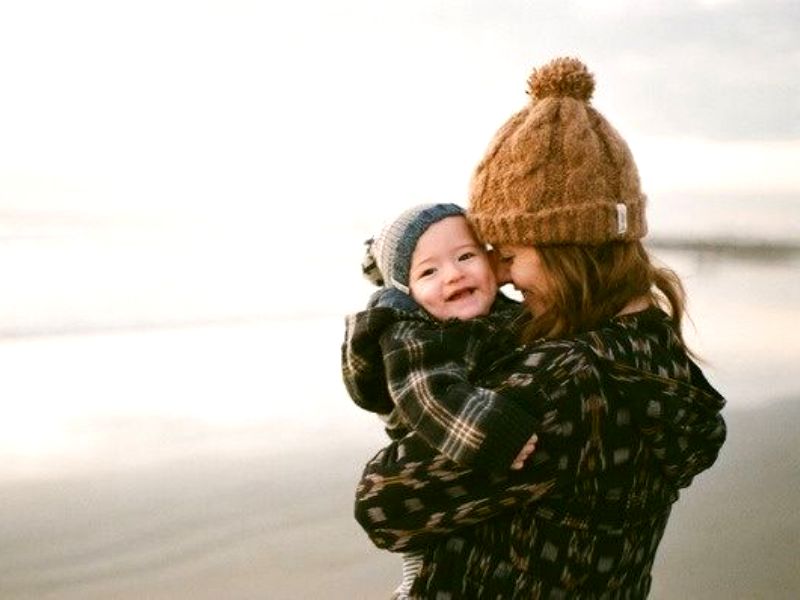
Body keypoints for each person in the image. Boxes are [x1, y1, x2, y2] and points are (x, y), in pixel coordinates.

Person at [353, 57, 727, 598]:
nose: (502, 277)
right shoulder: (656, 348)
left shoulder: (563, 380)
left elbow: (383, 506)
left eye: (508, 255)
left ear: (565, 248)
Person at [342, 203, 538, 599]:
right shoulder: (409, 336)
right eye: (428, 272)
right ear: (407, 292)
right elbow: (432, 396)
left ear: (491, 259)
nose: (453, 274)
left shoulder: (498, 311)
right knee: (426, 563)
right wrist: (493, 435)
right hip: (433, 453)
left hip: (476, 504)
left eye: (465, 256)